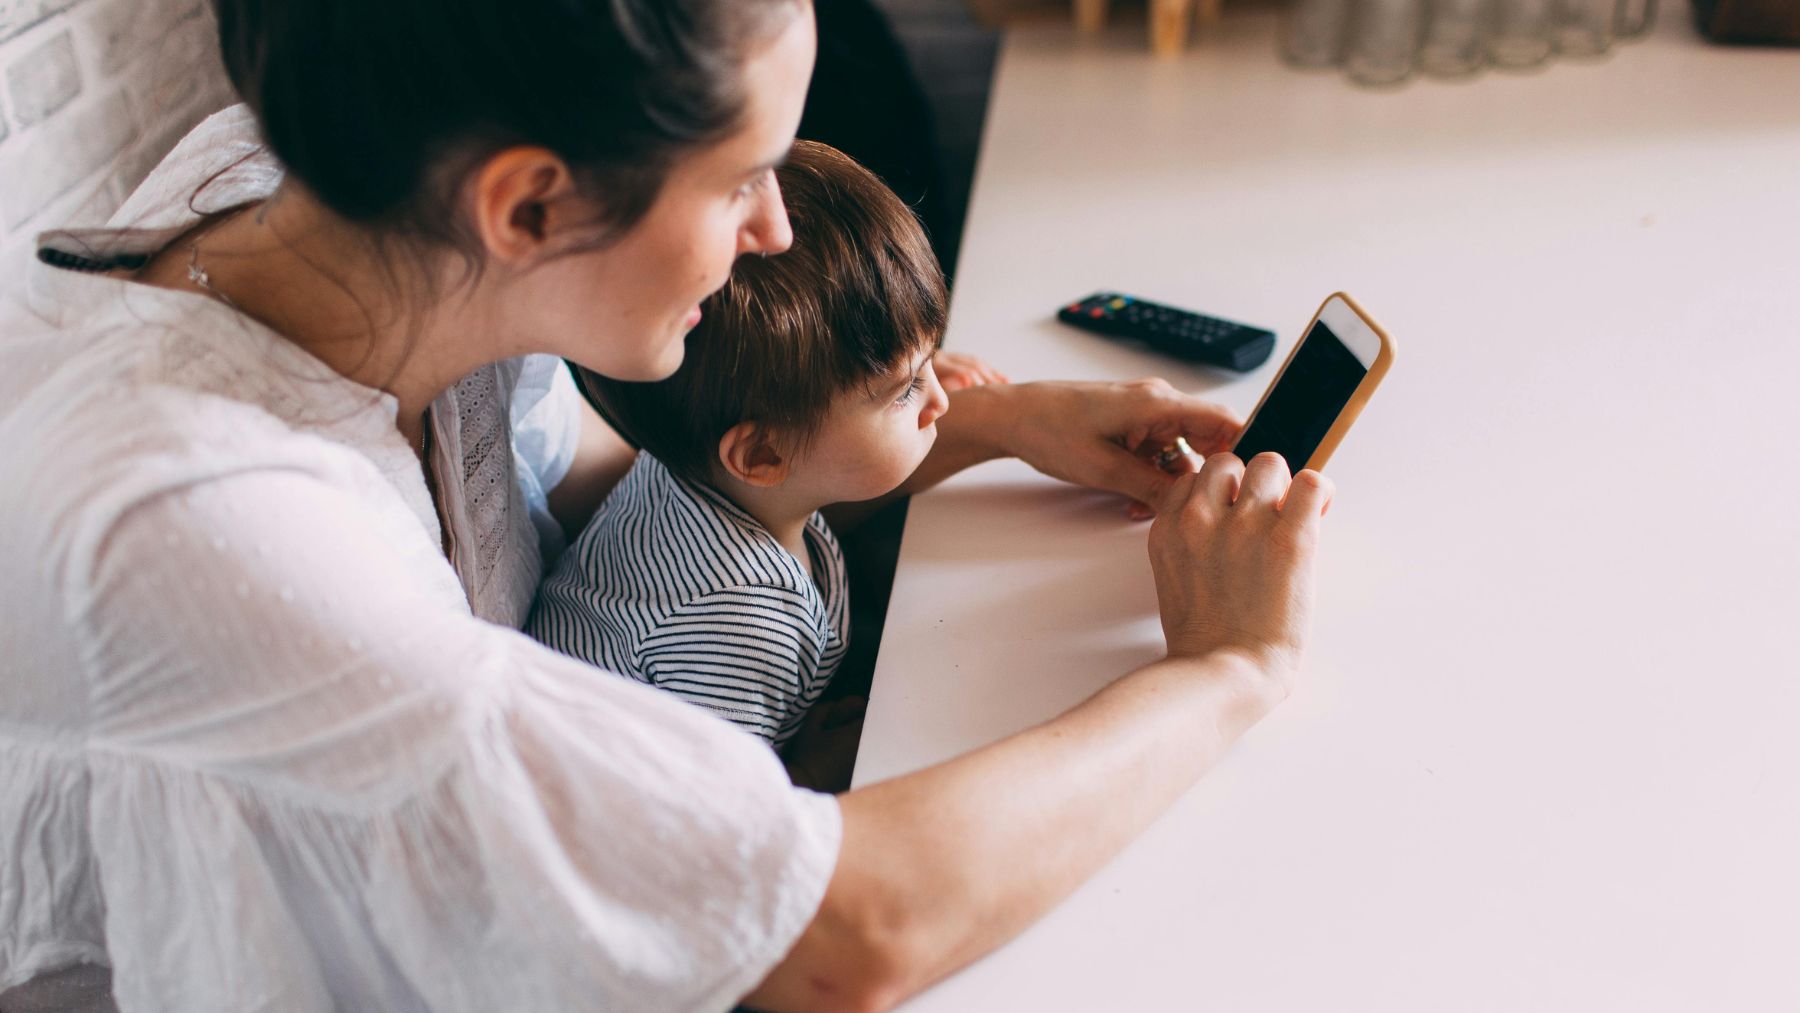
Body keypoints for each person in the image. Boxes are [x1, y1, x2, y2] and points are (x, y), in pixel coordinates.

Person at [0, 1, 1333, 1011]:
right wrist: (1228, 666)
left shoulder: (382, 224)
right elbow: (846, 936)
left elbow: (617, 491)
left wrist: (987, 421)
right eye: (742, 178)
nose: (773, 231)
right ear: (531, 203)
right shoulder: (208, 527)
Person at [528, 140, 950, 776]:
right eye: (906, 389)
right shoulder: (739, 619)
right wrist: (804, 773)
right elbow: (715, 806)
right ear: (761, 454)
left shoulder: (687, 469)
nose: (940, 401)